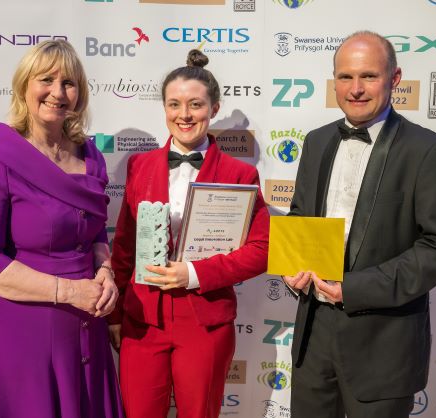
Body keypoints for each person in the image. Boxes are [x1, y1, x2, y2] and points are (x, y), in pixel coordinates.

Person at [283, 31, 436, 417]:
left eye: (368, 76)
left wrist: (353, 289)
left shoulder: (427, 150)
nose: (356, 89)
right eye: (345, 77)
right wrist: (291, 265)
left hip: (383, 346)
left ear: (394, 78)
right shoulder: (316, 141)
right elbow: (300, 215)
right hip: (313, 338)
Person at [0, 40, 124, 418]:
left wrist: (105, 271)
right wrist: (70, 291)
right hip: (20, 329)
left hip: (85, 325)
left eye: (68, 83)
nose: (57, 92)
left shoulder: (91, 155)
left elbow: (95, 230)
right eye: (46, 80)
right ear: (24, 86)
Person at [108, 49, 269, 418]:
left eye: (195, 104)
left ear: (213, 108)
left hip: (204, 319)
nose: (184, 115)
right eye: (174, 104)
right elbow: (125, 245)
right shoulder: (139, 164)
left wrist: (194, 273)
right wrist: (115, 314)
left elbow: (262, 249)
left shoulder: (240, 174)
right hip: (142, 318)